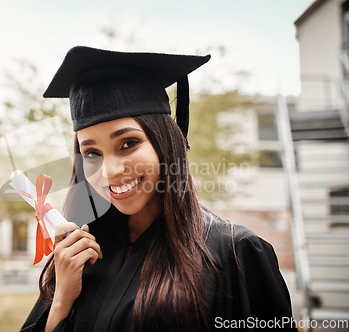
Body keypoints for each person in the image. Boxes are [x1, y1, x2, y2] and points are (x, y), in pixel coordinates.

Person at [21, 46, 297, 331]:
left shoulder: (234, 254)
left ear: (165, 142)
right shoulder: (80, 253)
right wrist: (62, 298)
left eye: (128, 144)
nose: (111, 171)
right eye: (92, 153)